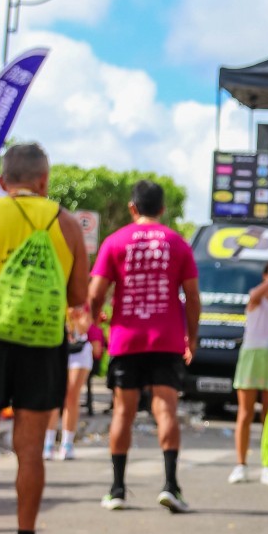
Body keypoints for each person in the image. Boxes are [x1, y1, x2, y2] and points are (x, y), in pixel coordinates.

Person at [0, 141, 88, 534]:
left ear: (3, 181)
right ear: (44, 181)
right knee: (29, 449)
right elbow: (78, 296)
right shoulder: (67, 223)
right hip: (43, 343)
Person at [88, 179, 200, 513]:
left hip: (127, 339)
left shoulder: (115, 241)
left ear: (132, 207)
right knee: (166, 410)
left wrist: (94, 321)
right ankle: (171, 486)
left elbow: (95, 293)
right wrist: (191, 337)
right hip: (166, 339)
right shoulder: (177, 243)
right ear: (162, 209)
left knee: (123, 412)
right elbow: (193, 297)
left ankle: (117, 489)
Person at [229, 259, 268, 485]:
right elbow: (256, 293)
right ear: (266, 275)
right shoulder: (257, 298)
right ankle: (240, 465)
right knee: (245, 413)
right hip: (251, 356)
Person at [44, 306, 104, 460]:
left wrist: (74, 317)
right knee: (52, 396)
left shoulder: (83, 303)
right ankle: (48, 443)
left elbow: (84, 328)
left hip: (78, 352)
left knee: (71, 396)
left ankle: (67, 443)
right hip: (56, 350)